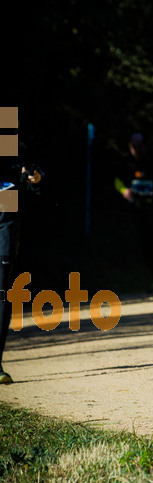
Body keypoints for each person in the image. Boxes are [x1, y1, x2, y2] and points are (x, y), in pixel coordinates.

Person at [0, 156, 42, 383]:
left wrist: (33, 175)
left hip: (4, 202)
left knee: (1, 290)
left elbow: (18, 157)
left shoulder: (7, 126)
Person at [115, 132, 153, 290]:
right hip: (139, 209)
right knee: (146, 245)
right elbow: (117, 180)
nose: (137, 150)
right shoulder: (127, 163)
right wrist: (124, 191)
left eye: (139, 146)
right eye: (134, 146)